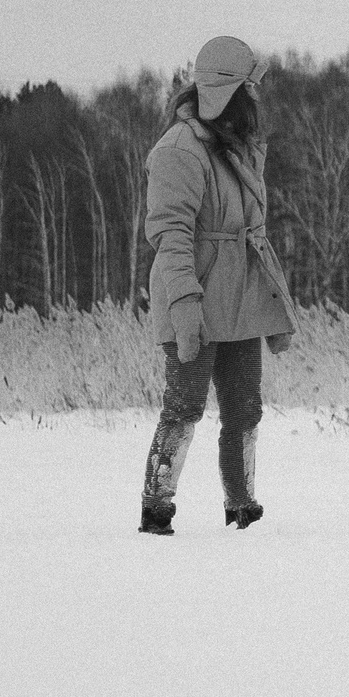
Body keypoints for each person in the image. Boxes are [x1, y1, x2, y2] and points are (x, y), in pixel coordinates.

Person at [138, 35, 297, 535]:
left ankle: (242, 503)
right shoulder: (178, 151)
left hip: (241, 301)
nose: (257, 99)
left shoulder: (240, 151)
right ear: (230, 91)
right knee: (184, 405)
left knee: (245, 408)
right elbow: (171, 238)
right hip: (199, 300)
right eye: (250, 88)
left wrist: (275, 303)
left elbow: (253, 236)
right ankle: (156, 506)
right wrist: (186, 308)